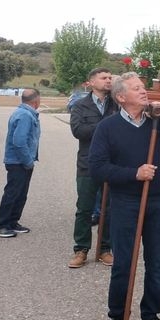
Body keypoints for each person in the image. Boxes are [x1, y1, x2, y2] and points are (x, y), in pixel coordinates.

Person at [88, 72, 160, 320]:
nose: (144, 91)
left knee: (157, 262)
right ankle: (119, 315)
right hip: (126, 201)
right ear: (121, 97)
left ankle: (150, 315)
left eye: (143, 87)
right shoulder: (107, 128)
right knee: (125, 262)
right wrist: (135, 173)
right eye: (136, 88)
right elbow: (97, 168)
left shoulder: (158, 123)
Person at [69, 68, 117, 268]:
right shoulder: (80, 106)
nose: (108, 80)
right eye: (103, 78)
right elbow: (78, 131)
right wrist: (106, 125)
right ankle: (81, 249)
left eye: (110, 78)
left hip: (112, 164)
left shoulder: (116, 104)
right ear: (91, 82)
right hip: (87, 165)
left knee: (109, 209)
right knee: (84, 209)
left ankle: (105, 249)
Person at [0, 88, 41, 238]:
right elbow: (19, 142)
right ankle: (2, 225)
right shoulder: (25, 115)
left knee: (21, 193)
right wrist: (28, 161)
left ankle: (13, 222)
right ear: (36, 101)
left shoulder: (24, 113)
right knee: (13, 193)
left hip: (21, 161)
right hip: (18, 162)